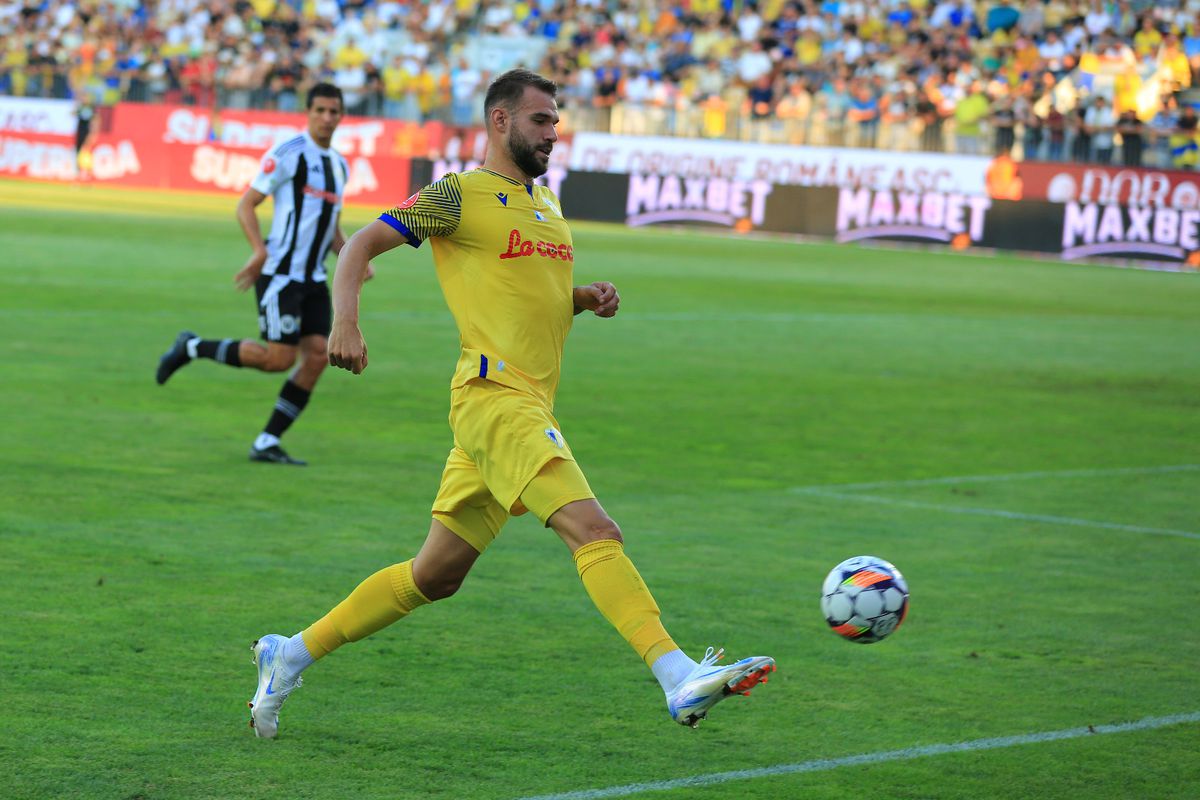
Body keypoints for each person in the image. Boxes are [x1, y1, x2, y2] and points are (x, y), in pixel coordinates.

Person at [245, 69, 775, 739]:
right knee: (596, 531)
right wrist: (345, 321)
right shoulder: (457, 195)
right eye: (541, 120)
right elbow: (358, 245)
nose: (553, 132)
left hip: (520, 408)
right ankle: (675, 673)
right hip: (495, 399)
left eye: (555, 121)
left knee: (434, 576)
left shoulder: (548, 207)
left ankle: (287, 653)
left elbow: (531, 296)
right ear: (501, 123)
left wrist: (581, 298)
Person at [155, 83, 370, 465]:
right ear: (308, 112)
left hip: (314, 279)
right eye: (320, 110)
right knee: (278, 359)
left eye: (333, 112)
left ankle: (267, 440)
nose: (326, 118)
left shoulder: (339, 165)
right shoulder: (288, 154)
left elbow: (330, 227)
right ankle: (191, 347)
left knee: (319, 356)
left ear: (341, 116)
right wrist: (259, 250)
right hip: (281, 275)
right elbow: (246, 205)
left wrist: (352, 255)